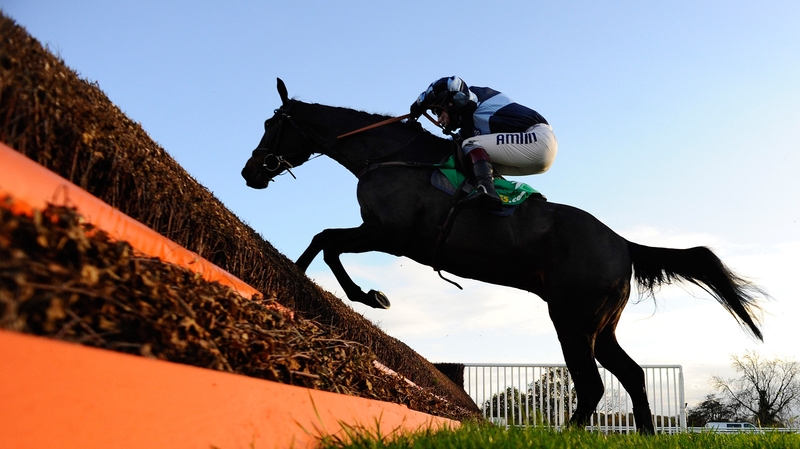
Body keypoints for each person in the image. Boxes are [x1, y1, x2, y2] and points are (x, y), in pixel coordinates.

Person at [410, 76, 557, 209]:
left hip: (538, 138)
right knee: (467, 160)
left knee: (470, 144)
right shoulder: (468, 128)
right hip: (534, 153)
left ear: (450, 103)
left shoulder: (473, 98)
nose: (439, 120)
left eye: (438, 113)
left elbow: (452, 84)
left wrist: (420, 103)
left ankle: (487, 192)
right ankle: (521, 195)